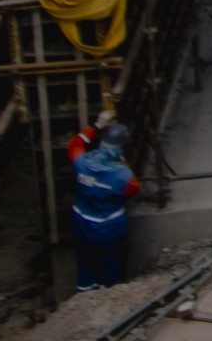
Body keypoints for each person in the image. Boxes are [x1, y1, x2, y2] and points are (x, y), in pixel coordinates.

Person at [67, 114, 139, 292]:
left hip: (82, 224)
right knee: (111, 265)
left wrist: (97, 125)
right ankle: (108, 296)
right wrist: (123, 165)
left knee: (85, 263)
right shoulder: (124, 176)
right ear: (120, 149)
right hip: (109, 229)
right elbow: (133, 190)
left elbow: (75, 145)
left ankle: (84, 296)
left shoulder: (81, 162)